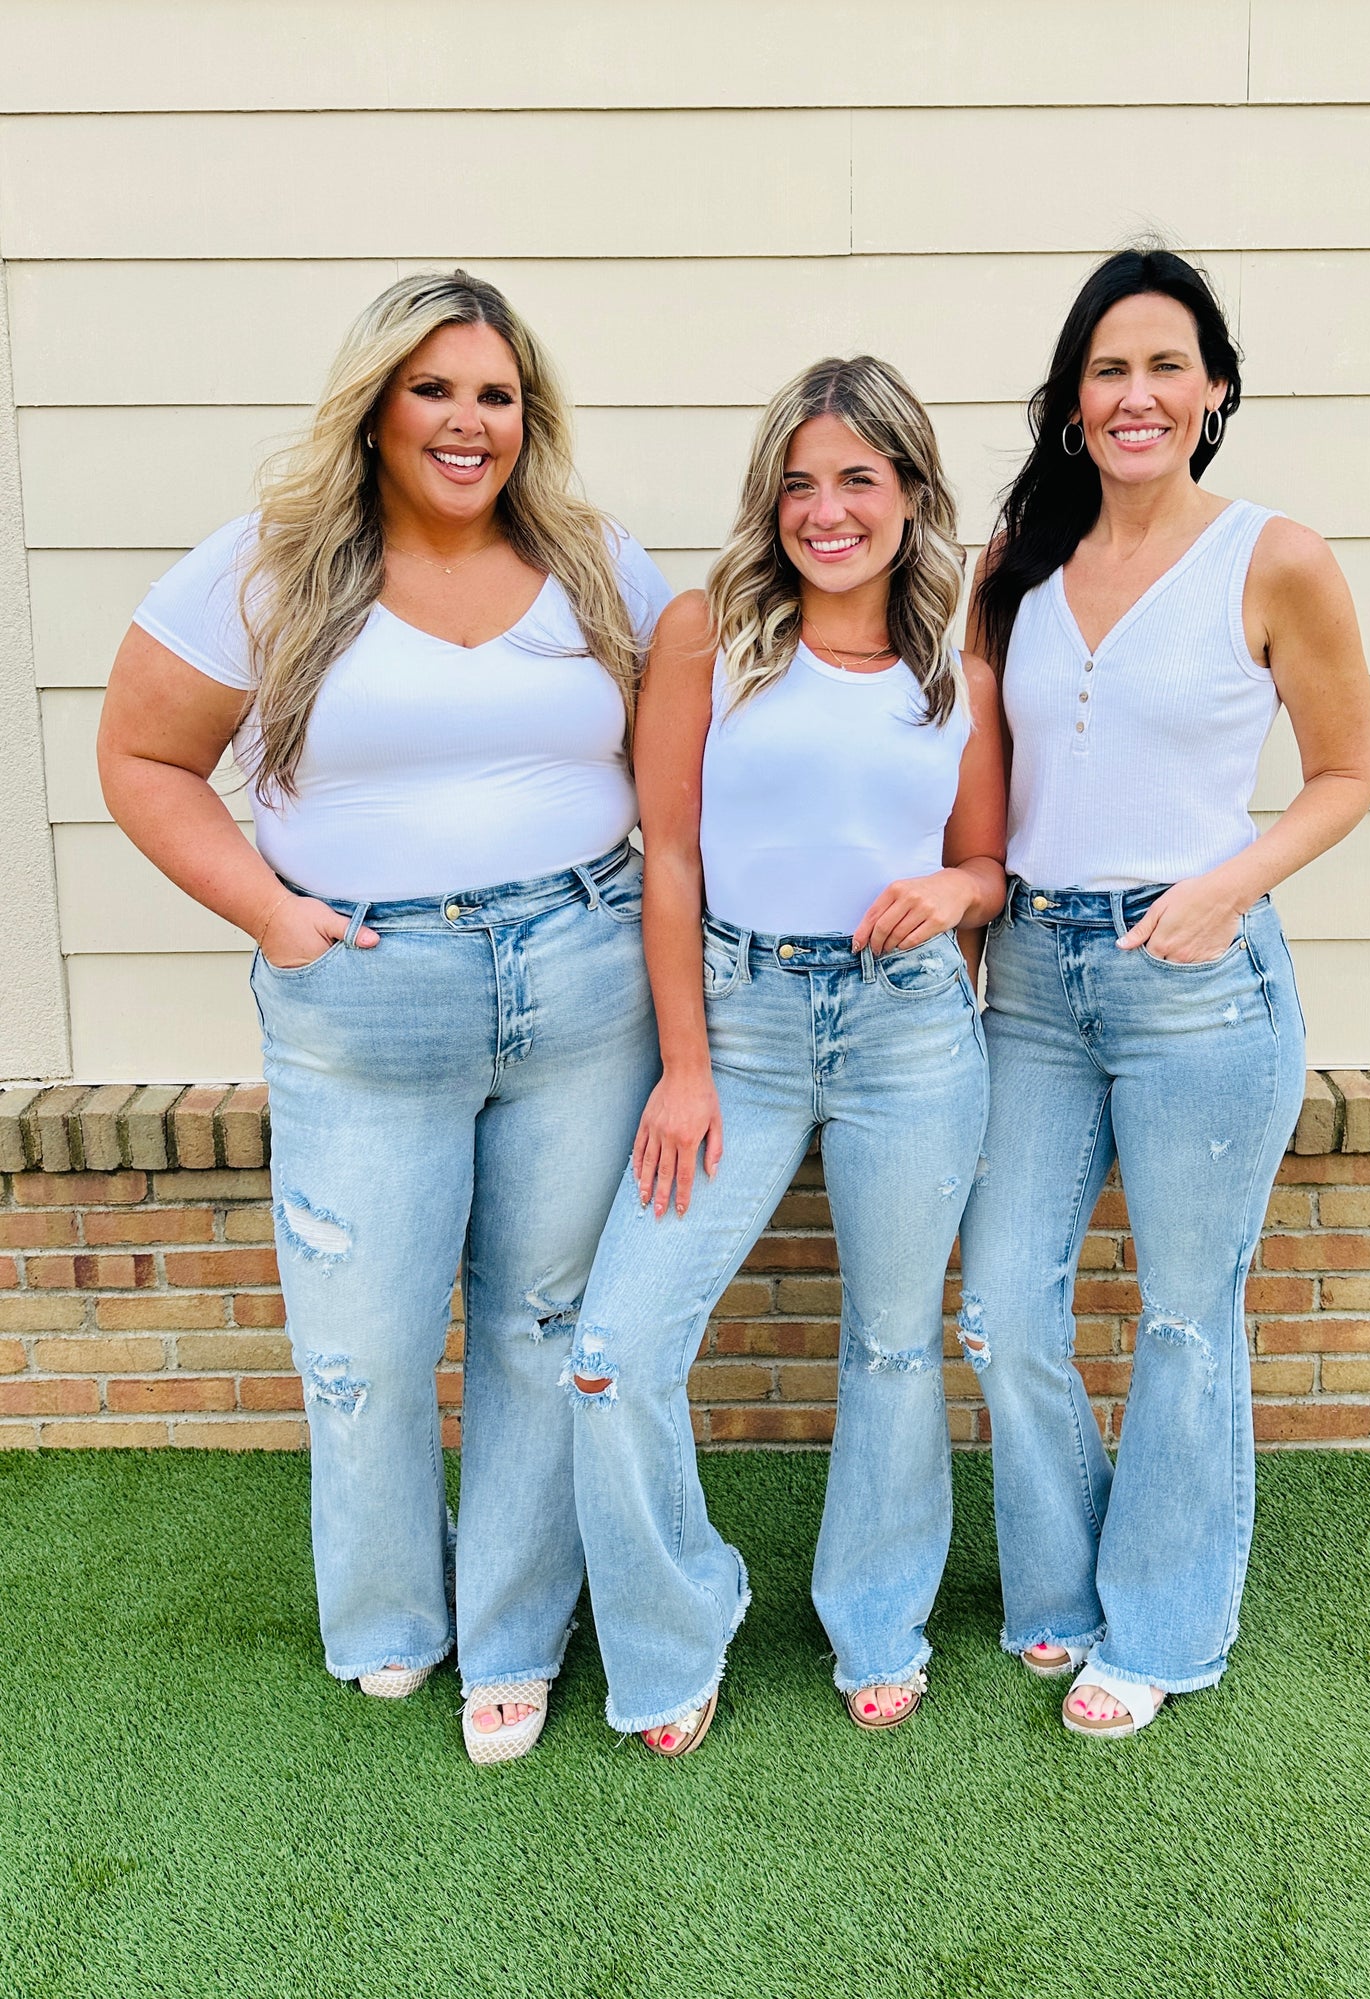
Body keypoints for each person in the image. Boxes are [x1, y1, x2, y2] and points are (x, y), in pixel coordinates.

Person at [97, 270, 672, 1764]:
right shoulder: (269, 566)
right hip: (366, 999)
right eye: (434, 390)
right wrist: (272, 913)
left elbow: (696, 743)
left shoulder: (597, 563)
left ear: (528, 416)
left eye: (496, 394)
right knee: (363, 1344)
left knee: (543, 1325)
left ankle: (517, 1634)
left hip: (582, 982)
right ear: (375, 407)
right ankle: (390, 1622)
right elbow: (144, 759)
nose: (467, 423)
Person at [960, 247, 1370, 1738]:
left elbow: (1346, 774)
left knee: (1187, 1319)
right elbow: (989, 796)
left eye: (1165, 367)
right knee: (1003, 1308)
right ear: (1073, 401)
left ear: (1213, 392)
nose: (1136, 395)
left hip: (1196, 981)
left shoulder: (1275, 558)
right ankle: (1063, 1586)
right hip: (1033, 984)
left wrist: (1225, 886)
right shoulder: (1016, 565)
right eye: (1108, 370)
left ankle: (1161, 1629)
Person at [567, 355, 1006, 1755]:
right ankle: (675, 1629)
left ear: (911, 493)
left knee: (892, 1345)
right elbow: (672, 858)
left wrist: (951, 892)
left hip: (910, 1032)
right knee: (615, 1350)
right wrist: (684, 1066)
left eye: (859, 479)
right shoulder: (711, 633)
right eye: (800, 483)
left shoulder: (955, 668)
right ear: (770, 500)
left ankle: (878, 1621)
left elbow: (987, 866)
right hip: (740, 1031)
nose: (827, 511)